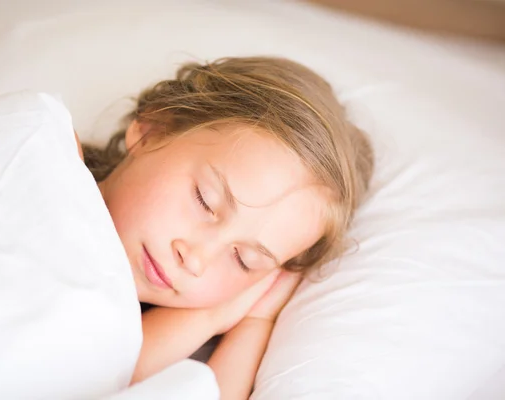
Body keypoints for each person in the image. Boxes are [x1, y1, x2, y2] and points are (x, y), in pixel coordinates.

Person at [79, 56, 374, 399]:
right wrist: (213, 315)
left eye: (244, 260)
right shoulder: (42, 163)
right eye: (205, 200)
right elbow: (82, 368)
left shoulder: (178, 341)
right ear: (151, 130)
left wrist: (249, 319)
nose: (196, 258)